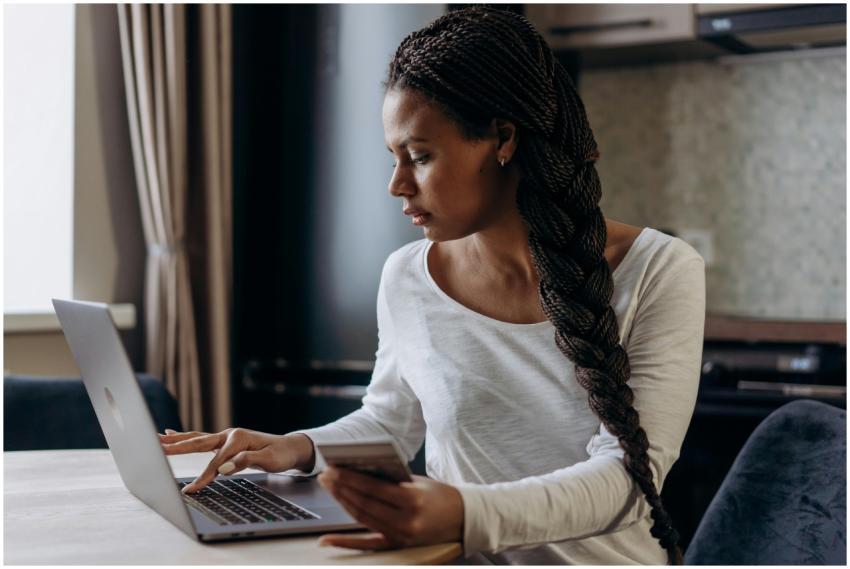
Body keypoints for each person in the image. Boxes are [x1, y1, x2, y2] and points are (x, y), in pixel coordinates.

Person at [160, 6, 705, 565]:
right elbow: (389, 423)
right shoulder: (407, 275)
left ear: (503, 139)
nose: (397, 184)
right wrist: (298, 446)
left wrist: (465, 514)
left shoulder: (660, 270)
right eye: (394, 157)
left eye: (419, 157)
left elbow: (627, 477)